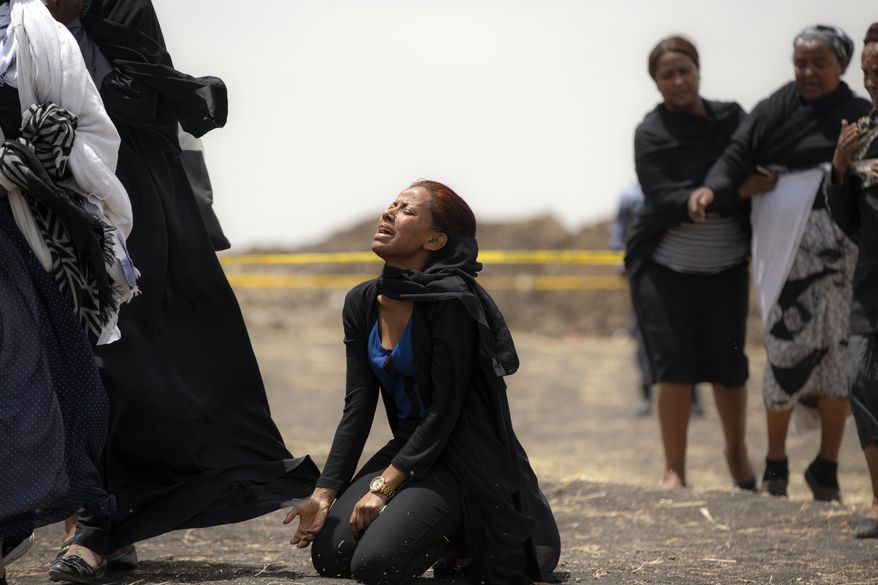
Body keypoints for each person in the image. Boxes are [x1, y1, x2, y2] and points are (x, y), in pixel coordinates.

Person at [44, 1, 320, 582]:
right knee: (43, 359)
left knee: (117, 361)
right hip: (29, 189)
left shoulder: (120, 7)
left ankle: (98, 526)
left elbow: (147, 93)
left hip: (127, 198)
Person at [284, 180, 561, 585]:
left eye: (407, 210)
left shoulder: (451, 302)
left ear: (435, 239)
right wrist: (323, 495)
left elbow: (446, 409)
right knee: (332, 556)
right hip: (412, 448)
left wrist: (383, 486)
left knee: (376, 566)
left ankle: (464, 531)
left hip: (464, 452)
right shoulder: (361, 303)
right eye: (392, 205)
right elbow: (358, 406)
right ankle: (431, 524)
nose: (389, 213)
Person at [693, 24, 871, 501]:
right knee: (786, 354)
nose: (808, 72)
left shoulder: (859, 115)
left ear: (843, 66)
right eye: (801, 63)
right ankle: (776, 462)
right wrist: (713, 188)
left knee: (837, 360)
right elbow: (736, 156)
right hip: (784, 254)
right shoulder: (774, 109)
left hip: (844, 263)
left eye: (819, 64)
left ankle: (828, 468)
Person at [0, 0, 134, 581]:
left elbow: (92, 130)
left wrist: (28, 159)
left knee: (26, 387)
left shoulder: (36, 36)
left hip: (18, 236)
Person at [626, 36, 769, 490]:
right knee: (674, 366)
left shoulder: (732, 118)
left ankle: (738, 456)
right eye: (667, 75)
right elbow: (659, 194)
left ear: (698, 70)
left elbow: (758, 168)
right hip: (664, 266)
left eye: (684, 70)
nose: (678, 80)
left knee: (729, 367)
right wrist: (727, 190)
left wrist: (721, 189)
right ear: (657, 82)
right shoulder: (650, 132)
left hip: (726, 265)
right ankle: (675, 470)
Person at [826, 22, 878, 536]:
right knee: (862, 383)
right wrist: (841, 170)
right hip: (870, 289)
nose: (872, 80)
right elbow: (849, 223)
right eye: (867, 72)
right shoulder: (861, 134)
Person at [610, 181, 702, 417]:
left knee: (686, 331)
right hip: (644, 273)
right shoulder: (630, 195)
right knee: (645, 334)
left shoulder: (681, 188)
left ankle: (692, 396)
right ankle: (645, 392)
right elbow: (619, 229)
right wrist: (621, 259)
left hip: (679, 270)